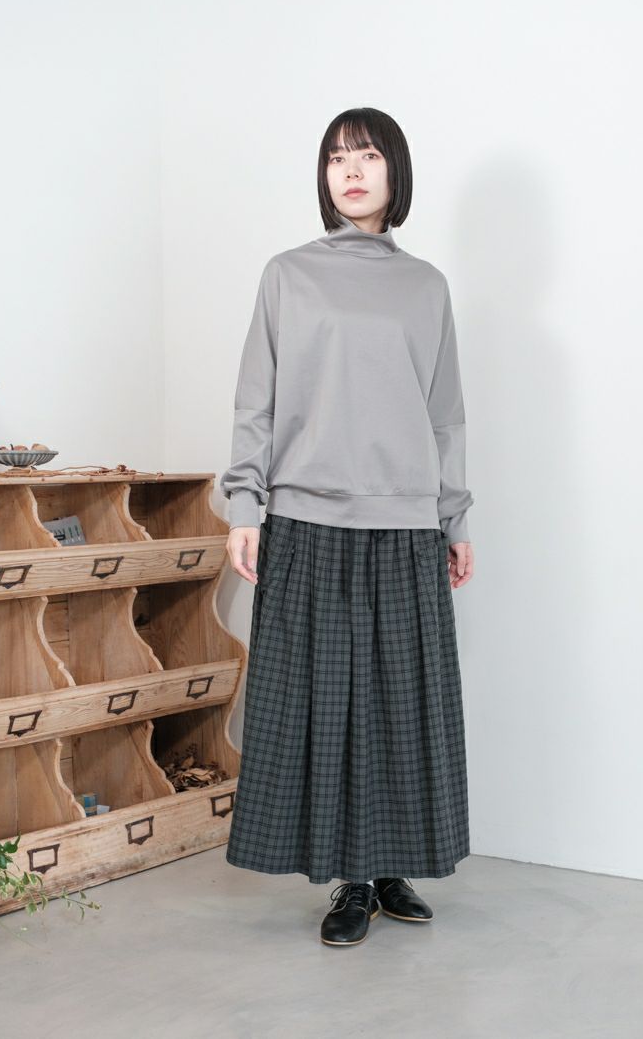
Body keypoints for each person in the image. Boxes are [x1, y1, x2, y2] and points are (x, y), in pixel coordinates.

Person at [220, 106, 475, 947]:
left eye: (367, 156)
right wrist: (245, 505)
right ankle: (349, 879)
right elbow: (255, 401)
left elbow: (445, 415)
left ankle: (391, 864)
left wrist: (454, 516)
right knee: (324, 707)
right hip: (307, 518)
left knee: (402, 705)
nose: (351, 171)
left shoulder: (425, 286)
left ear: (396, 171)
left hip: (405, 522)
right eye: (336, 158)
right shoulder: (288, 275)